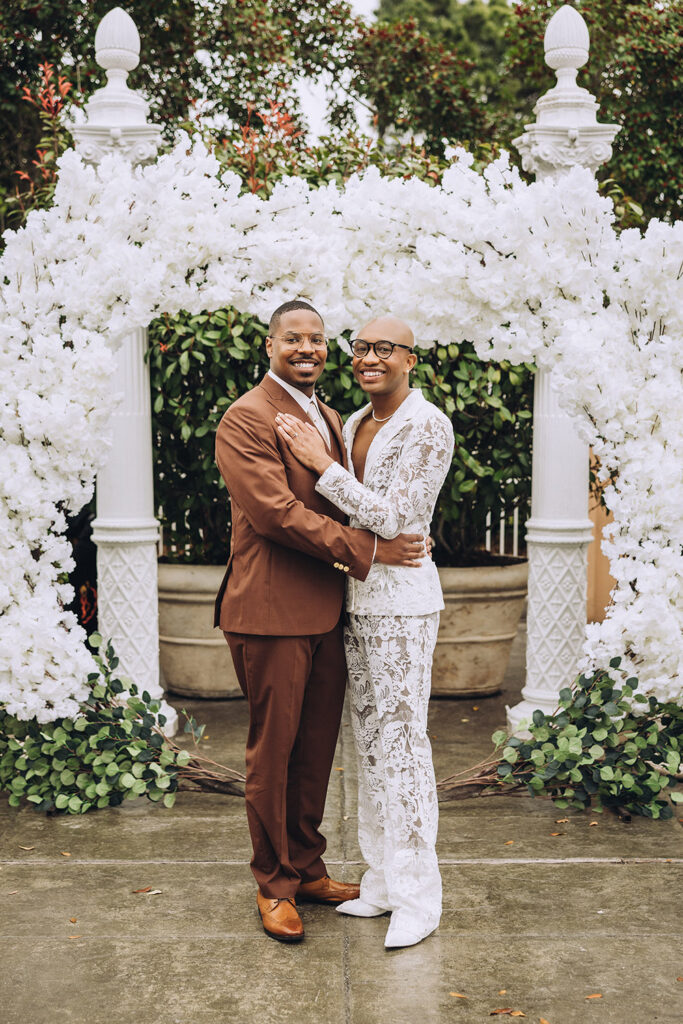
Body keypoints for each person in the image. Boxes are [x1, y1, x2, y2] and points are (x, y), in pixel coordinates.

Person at [214, 300, 427, 943]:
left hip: (328, 610)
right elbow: (277, 514)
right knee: (272, 754)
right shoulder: (245, 417)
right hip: (270, 608)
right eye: (293, 339)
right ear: (269, 345)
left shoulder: (332, 416)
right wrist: (370, 550)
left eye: (317, 340)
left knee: (314, 753)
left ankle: (307, 869)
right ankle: (273, 884)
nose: (307, 349)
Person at [276, 314, 454, 948]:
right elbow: (359, 522)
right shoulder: (353, 422)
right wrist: (330, 464)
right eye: (361, 348)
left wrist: (318, 463)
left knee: (405, 748)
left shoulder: (427, 425)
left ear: (411, 358)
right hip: (353, 599)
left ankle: (419, 899)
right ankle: (381, 882)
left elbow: (392, 516)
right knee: (368, 746)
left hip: (403, 604)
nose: (369, 358)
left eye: (385, 349)